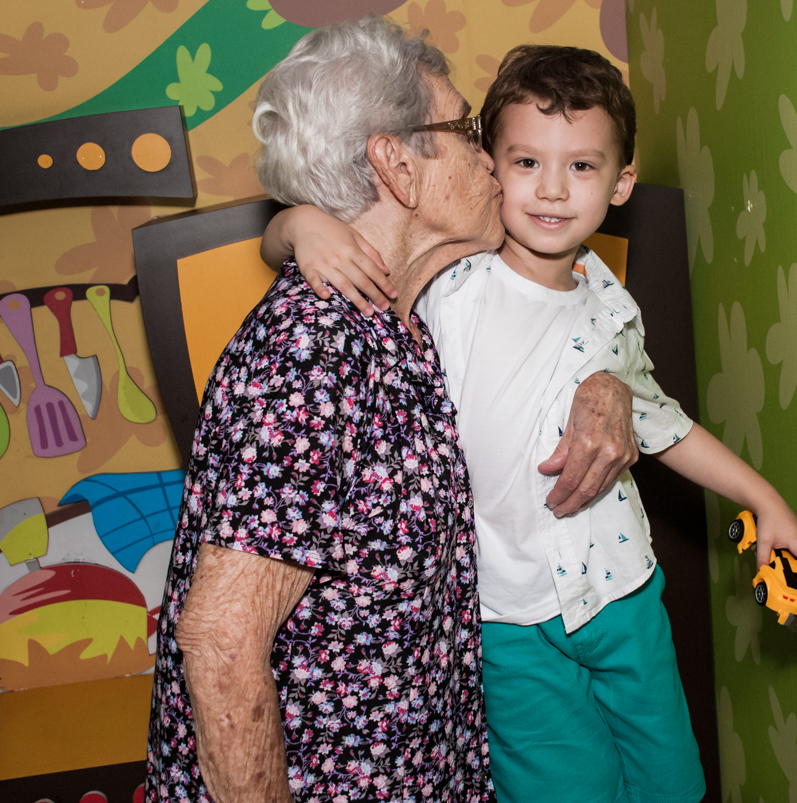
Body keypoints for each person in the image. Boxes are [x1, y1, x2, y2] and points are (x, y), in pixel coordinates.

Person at [265, 44, 797, 803]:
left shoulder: (611, 303)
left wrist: (768, 502)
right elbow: (298, 245)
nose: (553, 190)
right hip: (507, 623)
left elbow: (667, 424)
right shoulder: (450, 277)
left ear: (622, 181)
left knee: (672, 782)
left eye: (583, 167)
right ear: (489, 167)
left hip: (624, 595)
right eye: (526, 162)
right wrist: (301, 225)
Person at [145, 21, 639, 803]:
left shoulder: (398, 313)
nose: (490, 157)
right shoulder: (310, 353)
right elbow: (219, 639)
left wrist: (608, 381)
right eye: (466, 129)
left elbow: (571, 311)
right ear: (396, 163)